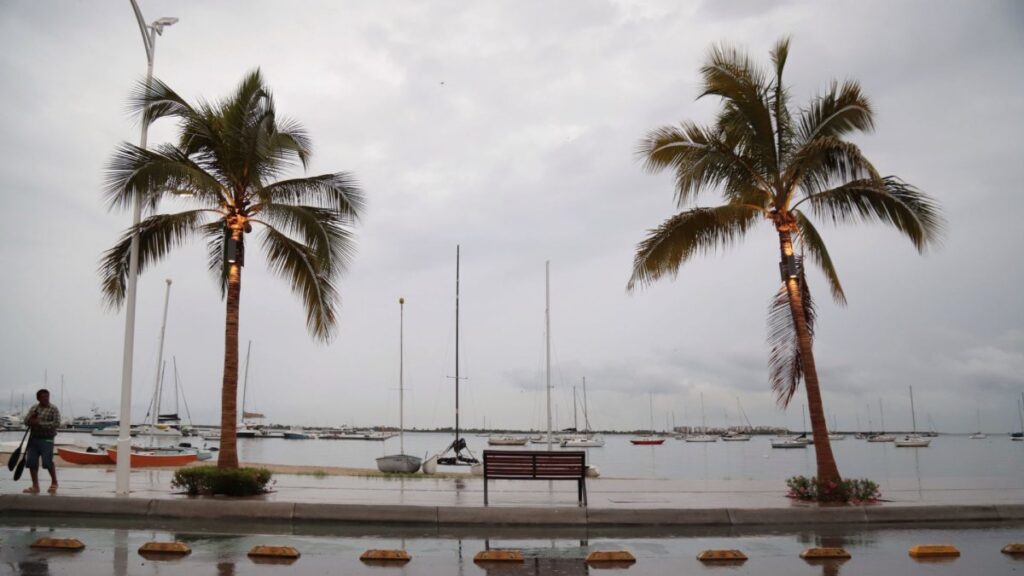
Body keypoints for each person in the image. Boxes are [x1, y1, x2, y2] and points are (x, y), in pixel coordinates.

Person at [24, 388, 60, 494]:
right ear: (38, 398)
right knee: (31, 462)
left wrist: (39, 424)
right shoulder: (34, 408)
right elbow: (26, 421)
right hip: (33, 439)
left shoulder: (53, 409)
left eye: (47, 396)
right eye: (43, 397)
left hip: (47, 439)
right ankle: (35, 486)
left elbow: (56, 423)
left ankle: (54, 482)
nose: (46, 399)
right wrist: (31, 420)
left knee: (47, 462)